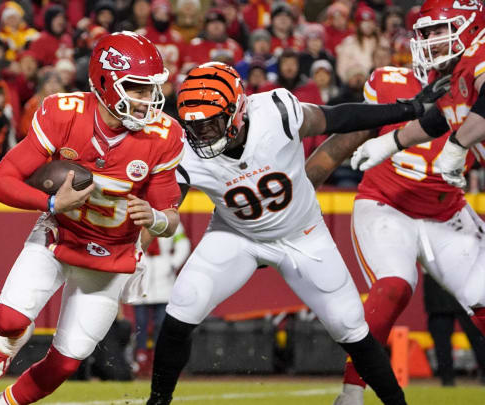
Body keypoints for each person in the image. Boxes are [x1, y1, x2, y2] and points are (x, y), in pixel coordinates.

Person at [145, 61, 449, 405]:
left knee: (351, 327)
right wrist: (149, 225)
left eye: (210, 122)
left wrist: (407, 109)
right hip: (235, 235)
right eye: (194, 124)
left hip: (303, 235)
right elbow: (169, 205)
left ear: (237, 112)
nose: (201, 134)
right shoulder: (183, 148)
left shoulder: (277, 111)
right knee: (182, 307)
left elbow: (339, 118)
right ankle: (157, 402)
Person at [0, 32, 185, 405]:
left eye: (150, 89)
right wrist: (53, 203)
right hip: (60, 235)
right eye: (136, 88)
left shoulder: (164, 135)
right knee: (8, 319)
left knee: (66, 363)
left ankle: (4, 404)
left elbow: (170, 218)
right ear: (105, 83)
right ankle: (9, 339)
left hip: (112, 257)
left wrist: (154, 218)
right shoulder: (63, 113)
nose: (146, 101)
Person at [306, 65, 484, 405]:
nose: (435, 42)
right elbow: (347, 138)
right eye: (429, 33)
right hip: (386, 204)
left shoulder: (475, 96)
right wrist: (299, 193)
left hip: (447, 213)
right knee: (393, 285)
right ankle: (352, 393)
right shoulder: (392, 83)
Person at [349, 0, 485, 338]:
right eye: (427, 32)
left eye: (440, 30)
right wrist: (391, 142)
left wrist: (457, 145)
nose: (432, 39)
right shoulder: (455, 76)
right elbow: (440, 118)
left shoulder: (478, 54)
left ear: (469, 25)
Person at [131, 223, 190, 377]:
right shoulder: (135, 215)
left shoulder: (169, 216)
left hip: (163, 275)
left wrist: (173, 263)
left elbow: (183, 243)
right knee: (140, 324)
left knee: (162, 324)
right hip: (141, 270)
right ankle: (140, 360)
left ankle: (160, 360)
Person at [424, 273, 485, 387]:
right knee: (477, 336)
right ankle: (447, 379)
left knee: (442, 338)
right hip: (461, 281)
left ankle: (447, 380)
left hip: (445, 282)